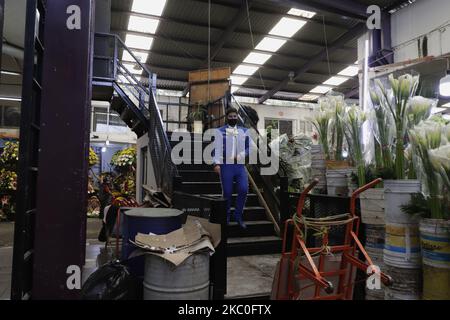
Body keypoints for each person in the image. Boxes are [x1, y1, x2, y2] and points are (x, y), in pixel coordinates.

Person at [213, 107, 251, 229]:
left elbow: (249, 148)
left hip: (239, 165)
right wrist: (216, 163)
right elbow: (216, 148)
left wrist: (240, 155)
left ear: (237, 117)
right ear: (226, 117)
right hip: (226, 165)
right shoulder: (220, 131)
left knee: (244, 189)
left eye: (235, 116)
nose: (233, 118)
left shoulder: (244, 131)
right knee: (227, 192)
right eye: (230, 116)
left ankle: (238, 216)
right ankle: (226, 217)